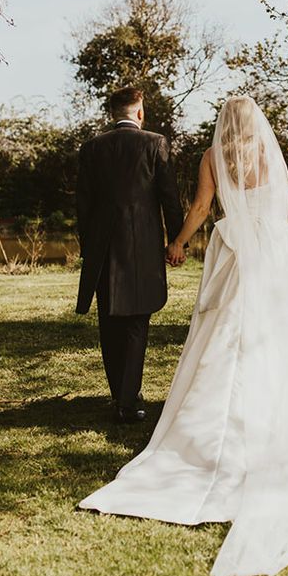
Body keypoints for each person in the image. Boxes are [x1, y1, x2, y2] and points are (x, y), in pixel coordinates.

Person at [79, 95, 288, 576]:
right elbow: (282, 205)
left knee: (226, 328)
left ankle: (213, 412)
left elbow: (201, 206)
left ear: (222, 124)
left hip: (233, 244)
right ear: (255, 120)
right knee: (282, 324)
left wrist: (178, 241)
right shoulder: (266, 150)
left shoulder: (213, 157)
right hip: (271, 247)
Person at [75, 87, 184, 423]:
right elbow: (169, 197)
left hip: (103, 248)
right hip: (143, 247)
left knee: (109, 323)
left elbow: (83, 205)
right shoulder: (156, 143)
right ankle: (129, 400)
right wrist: (177, 241)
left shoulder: (92, 148)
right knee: (137, 323)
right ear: (139, 112)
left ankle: (120, 396)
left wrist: (88, 246)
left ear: (113, 114)